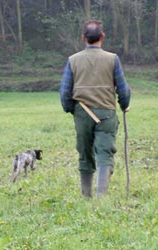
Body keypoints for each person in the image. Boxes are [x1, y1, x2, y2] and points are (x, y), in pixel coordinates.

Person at [60, 20, 130, 199]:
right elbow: (123, 89)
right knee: (105, 153)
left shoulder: (72, 60)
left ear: (83, 38)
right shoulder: (113, 59)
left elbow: (65, 92)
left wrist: (71, 109)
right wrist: (124, 104)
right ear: (103, 37)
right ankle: (101, 196)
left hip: (82, 113)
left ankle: (86, 196)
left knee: (85, 153)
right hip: (106, 113)